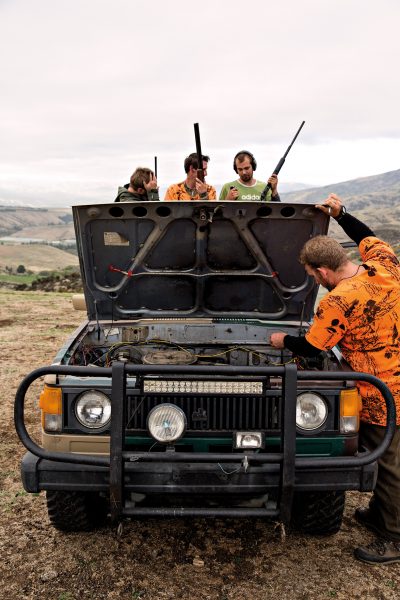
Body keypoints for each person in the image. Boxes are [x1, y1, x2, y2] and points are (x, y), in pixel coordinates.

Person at [270, 193, 400, 564]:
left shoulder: (338, 301)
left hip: (382, 391)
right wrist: (342, 214)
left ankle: (393, 537)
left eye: (312, 276)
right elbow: (368, 236)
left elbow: (311, 347)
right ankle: (379, 514)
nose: (315, 281)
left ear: (322, 272)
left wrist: (282, 340)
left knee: (388, 462)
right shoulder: (384, 265)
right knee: (392, 456)